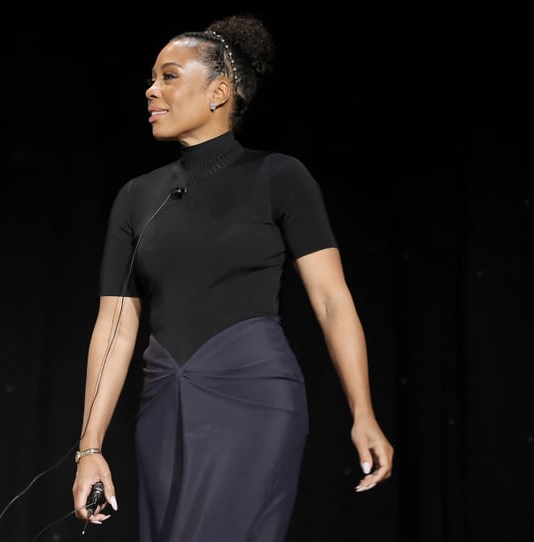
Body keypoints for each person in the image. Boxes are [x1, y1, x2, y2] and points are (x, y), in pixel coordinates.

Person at [71, 12, 394, 542]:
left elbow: (333, 300)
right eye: (152, 78)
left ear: (219, 91)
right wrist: (90, 448)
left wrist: (363, 412)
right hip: (161, 406)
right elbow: (115, 326)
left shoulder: (279, 176)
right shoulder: (136, 197)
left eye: (169, 76)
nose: (151, 90)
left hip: (254, 399)